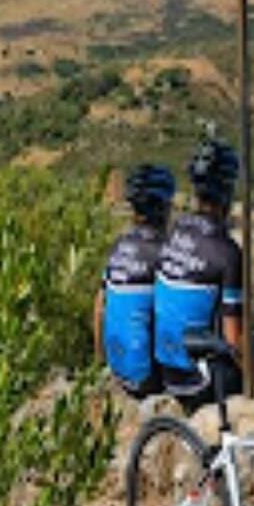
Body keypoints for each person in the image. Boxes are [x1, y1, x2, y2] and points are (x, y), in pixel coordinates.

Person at [152, 139, 245, 410]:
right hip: (197, 380)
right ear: (227, 191)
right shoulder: (227, 252)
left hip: (163, 370)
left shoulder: (176, 230)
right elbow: (233, 339)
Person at [95, 164, 177, 398]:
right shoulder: (164, 252)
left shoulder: (119, 246)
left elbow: (99, 306)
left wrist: (100, 362)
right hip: (147, 380)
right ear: (164, 208)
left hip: (116, 369)